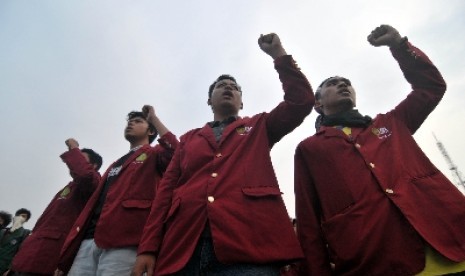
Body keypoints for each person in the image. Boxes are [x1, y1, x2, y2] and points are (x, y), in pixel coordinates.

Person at [132, 33, 314, 276]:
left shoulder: (259, 126)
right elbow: (165, 192)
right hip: (184, 248)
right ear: (209, 100)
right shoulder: (189, 139)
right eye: (221, 85)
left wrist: (278, 55)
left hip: (249, 245)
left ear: (241, 102)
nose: (228, 87)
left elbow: (300, 102)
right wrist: (148, 248)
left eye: (234, 87)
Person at [294, 24, 465, 275]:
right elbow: (308, 223)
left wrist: (399, 45)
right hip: (378, 260)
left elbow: (430, 88)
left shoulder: (391, 123)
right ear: (317, 102)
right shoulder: (310, 149)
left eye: (347, 83)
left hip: (450, 242)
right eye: (333, 83)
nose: (343, 85)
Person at [56, 106, 178, 275]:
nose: (130, 124)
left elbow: (176, 152)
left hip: (125, 240)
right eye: (129, 122)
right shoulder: (115, 164)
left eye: (138, 121)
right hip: (88, 240)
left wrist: (154, 119)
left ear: (151, 130)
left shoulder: (154, 154)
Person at [10, 139, 102, 276]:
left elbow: (84, 174)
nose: (73, 160)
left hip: (49, 256)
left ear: (93, 166)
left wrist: (74, 148)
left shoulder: (92, 182)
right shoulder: (69, 186)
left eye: (79, 158)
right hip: (29, 255)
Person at [0, 209, 31, 275]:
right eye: (18, 215)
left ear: (26, 220)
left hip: (4, 266)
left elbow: (21, 253)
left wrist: (10, 269)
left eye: (23, 216)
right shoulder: (3, 231)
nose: (20, 217)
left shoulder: (25, 233)